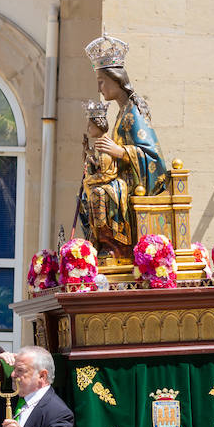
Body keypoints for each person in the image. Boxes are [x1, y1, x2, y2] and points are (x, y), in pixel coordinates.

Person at [85, 33, 170, 265]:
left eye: (102, 81)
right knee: (90, 189)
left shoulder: (133, 113)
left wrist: (119, 152)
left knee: (100, 194)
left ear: (115, 79)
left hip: (141, 187)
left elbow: (154, 159)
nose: (99, 88)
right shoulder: (122, 113)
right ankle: (102, 243)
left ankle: (117, 246)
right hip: (124, 182)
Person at [76, 100, 128, 262]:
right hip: (104, 183)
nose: (88, 129)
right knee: (85, 197)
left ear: (98, 126)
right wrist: (88, 154)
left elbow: (106, 174)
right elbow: (98, 164)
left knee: (97, 194)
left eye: (90, 126)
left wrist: (89, 180)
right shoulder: (99, 145)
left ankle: (107, 238)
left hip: (111, 186)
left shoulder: (105, 145)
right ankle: (94, 236)